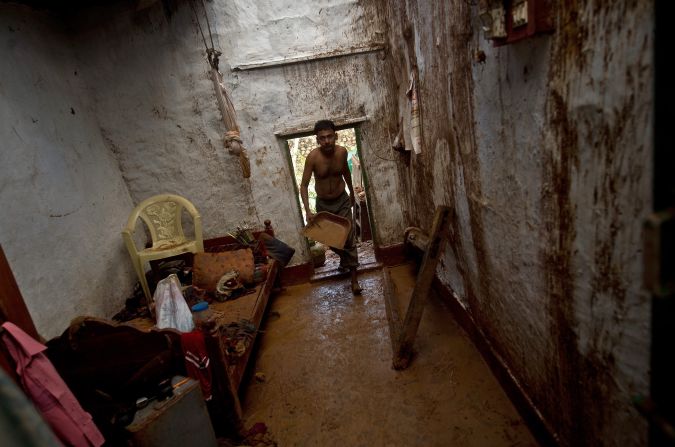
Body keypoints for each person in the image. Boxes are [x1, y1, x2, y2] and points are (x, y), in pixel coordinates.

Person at [300, 120, 362, 294]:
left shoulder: (342, 152)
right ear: (317, 140)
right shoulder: (312, 157)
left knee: (348, 238)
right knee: (330, 239)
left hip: (341, 200)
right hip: (323, 204)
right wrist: (308, 210)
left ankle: (354, 279)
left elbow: (346, 173)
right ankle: (345, 258)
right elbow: (304, 185)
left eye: (329, 137)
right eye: (322, 138)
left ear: (335, 136)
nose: (326, 141)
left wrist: (351, 192)